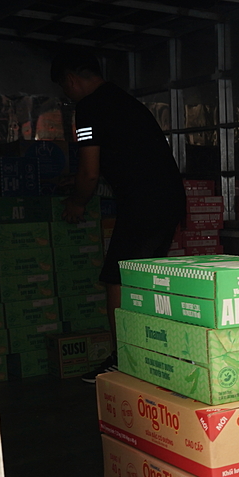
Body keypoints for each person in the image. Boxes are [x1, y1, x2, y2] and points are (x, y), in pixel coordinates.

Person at [52, 48, 185, 383]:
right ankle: (148, 351)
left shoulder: (88, 108)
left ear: (70, 79)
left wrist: (77, 202)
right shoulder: (124, 101)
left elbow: (89, 173)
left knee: (118, 278)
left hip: (145, 203)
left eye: (64, 89)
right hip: (165, 199)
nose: (67, 96)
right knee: (143, 276)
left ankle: (123, 358)